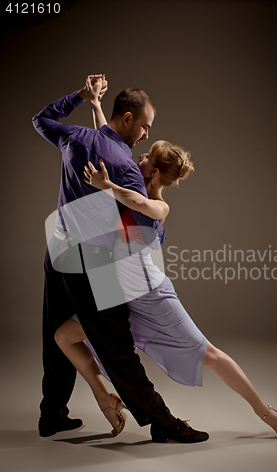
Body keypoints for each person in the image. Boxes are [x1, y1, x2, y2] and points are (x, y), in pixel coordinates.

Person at [54, 81, 277, 441]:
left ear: (152, 172)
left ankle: (266, 413)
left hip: (149, 293)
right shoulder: (127, 178)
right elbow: (109, 141)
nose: (138, 156)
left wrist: (107, 188)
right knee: (64, 335)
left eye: (146, 157)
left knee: (209, 353)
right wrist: (95, 104)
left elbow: (138, 204)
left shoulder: (156, 205)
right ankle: (106, 397)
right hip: (116, 289)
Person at [33, 74, 209, 444]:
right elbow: (145, 232)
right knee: (117, 346)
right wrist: (160, 212)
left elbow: (41, 119)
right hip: (90, 262)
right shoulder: (126, 167)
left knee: (56, 334)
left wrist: (83, 96)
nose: (145, 135)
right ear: (127, 118)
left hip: (58, 250)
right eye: (144, 126)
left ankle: (52, 415)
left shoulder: (75, 138)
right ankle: (163, 422)